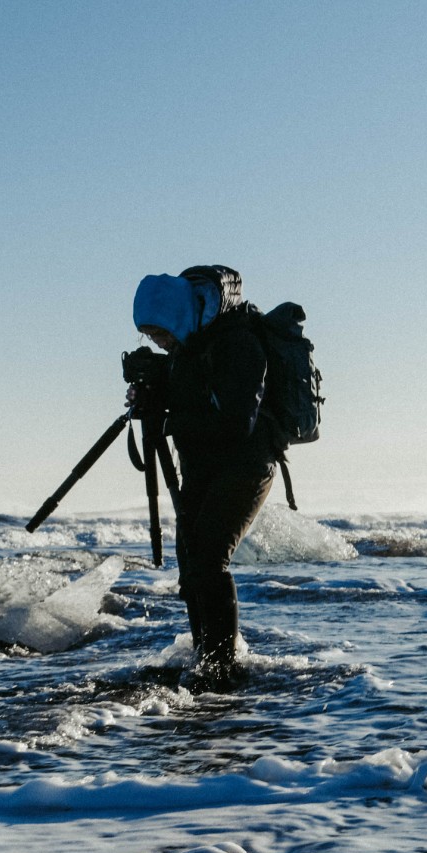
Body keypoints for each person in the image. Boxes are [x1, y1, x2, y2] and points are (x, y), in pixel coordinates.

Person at [131, 265, 277, 690]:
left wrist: (173, 416)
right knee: (191, 562)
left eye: (162, 334)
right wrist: (151, 396)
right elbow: (191, 401)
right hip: (201, 467)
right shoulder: (189, 347)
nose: (161, 343)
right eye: (153, 337)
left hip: (246, 466)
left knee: (210, 558)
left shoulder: (238, 343)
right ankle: (205, 655)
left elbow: (236, 423)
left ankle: (221, 667)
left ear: (179, 317)